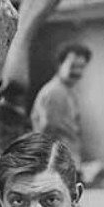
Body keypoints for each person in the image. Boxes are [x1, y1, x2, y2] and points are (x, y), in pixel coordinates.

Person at [31, 43, 92, 171]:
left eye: (81, 67)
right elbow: (47, 133)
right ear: (60, 65)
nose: (77, 71)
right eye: (73, 66)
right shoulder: (54, 92)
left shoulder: (67, 92)